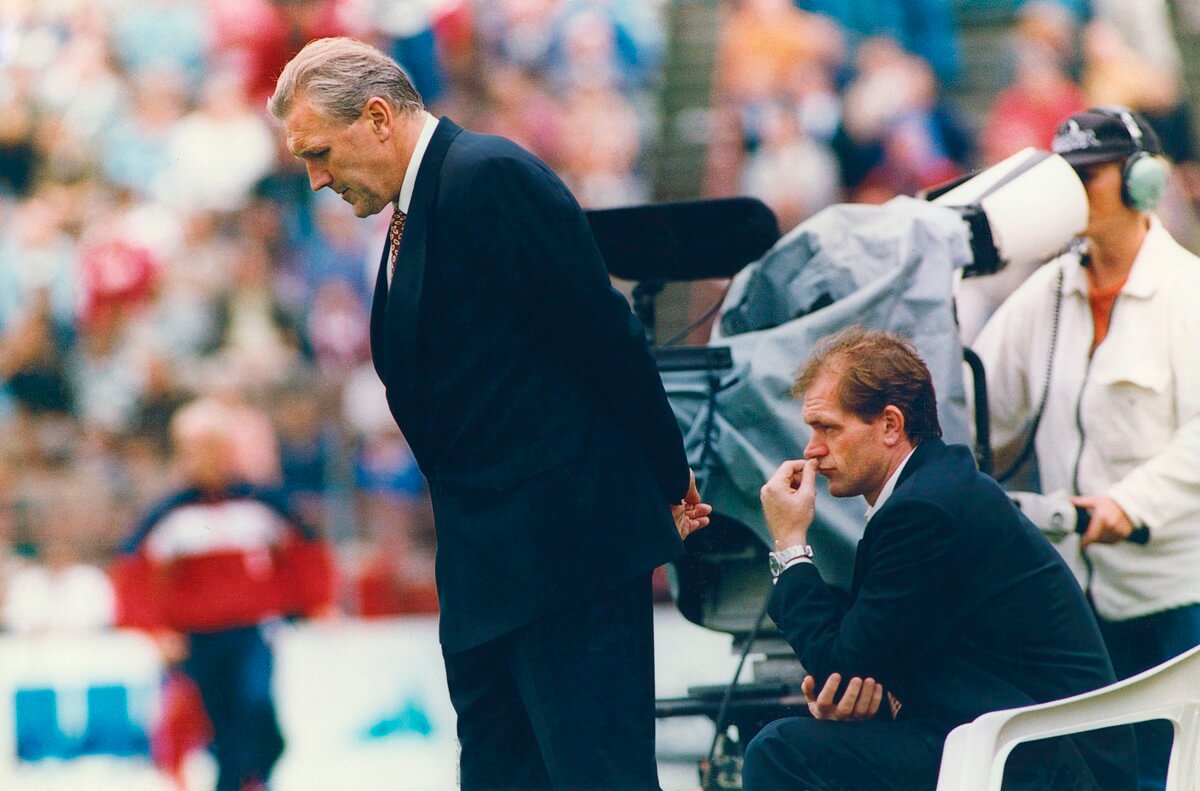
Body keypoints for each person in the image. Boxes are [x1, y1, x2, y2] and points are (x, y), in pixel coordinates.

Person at [268, 37, 710, 789]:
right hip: (489, 576)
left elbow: (603, 336)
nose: (315, 180)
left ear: (377, 117)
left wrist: (668, 481)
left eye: (319, 152)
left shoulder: (487, 177)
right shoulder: (421, 208)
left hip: (567, 562)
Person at [743, 327, 1136, 791]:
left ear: (890, 425)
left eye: (828, 427)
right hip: (1020, 744)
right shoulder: (934, 488)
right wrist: (863, 687)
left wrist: (790, 543)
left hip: (1045, 763)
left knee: (781, 750)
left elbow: (842, 664)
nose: (812, 449)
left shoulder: (922, 509)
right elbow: (861, 657)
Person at [974, 106, 1200, 791]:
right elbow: (980, 402)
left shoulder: (1188, 294)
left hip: (1171, 600)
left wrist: (1123, 506)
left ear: (1142, 182)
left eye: (1089, 177)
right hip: (1073, 598)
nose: (1073, 194)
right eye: (1064, 177)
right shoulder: (1046, 293)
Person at [111, 398, 335, 791]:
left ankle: (249, 778)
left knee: (256, 709)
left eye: (212, 446)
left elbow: (306, 554)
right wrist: (154, 629)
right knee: (214, 725)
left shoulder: (264, 503)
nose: (205, 458)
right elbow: (133, 575)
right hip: (195, 640)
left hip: (251, 631)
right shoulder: (167, 515)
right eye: (194, 448)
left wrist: (314, 604)